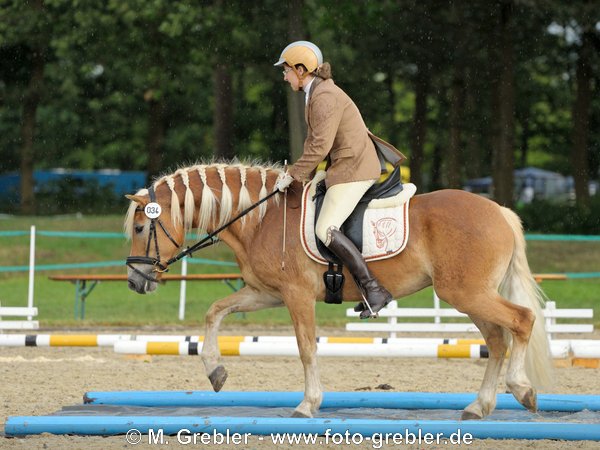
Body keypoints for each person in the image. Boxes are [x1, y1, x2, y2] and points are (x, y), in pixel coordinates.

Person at [273, 40, 403, 319]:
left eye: (286, 70)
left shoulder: (324, 97)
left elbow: (319, 147)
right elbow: (314, 143)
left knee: (325, 229)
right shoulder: (316, 92)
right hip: (344, 165)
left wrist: (295, 174)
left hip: (353, 168)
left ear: (300, 69)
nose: (284, 76)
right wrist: (298, 173)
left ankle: (374, 289)